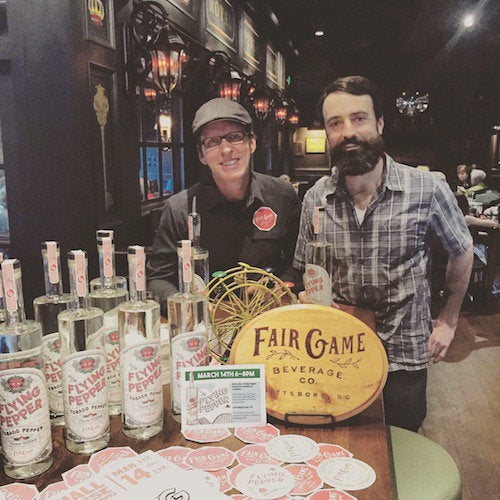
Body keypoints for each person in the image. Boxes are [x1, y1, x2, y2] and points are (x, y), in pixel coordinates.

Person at [293, 76, 473, 431]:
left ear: (379, 123)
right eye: (335, 123)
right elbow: (304, 266)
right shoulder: (317, 197)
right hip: (337, 354)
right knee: (340, 444)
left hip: (403, 355)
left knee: (402, 444)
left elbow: (463, 251)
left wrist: (449, 319)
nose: (348, 132)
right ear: (328, 134)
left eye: (358, 118)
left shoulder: (426, 187)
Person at [147, 98, 300, 310]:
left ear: (252, 143)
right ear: (201, 155)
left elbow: (298, 262)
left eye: (235, 137)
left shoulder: (282, 196)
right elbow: (158, 280)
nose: (226, 149)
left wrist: (281, 285)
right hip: (206, 324)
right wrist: (182, 304)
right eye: (212, 142)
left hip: (267, 319)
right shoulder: (178, 209)